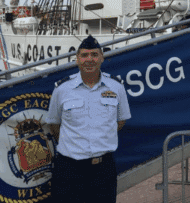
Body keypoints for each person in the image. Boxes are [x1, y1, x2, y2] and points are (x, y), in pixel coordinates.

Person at [45, 35, 131, 203]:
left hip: (102, 169)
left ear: (102, 58)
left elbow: (120, 121)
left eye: (94, 55)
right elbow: (54, 124)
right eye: (84, 55)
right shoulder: (62, 89)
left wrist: (101, 136)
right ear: (77, 60)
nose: (89, 59)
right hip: (69, 169)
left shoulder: (116, 87)